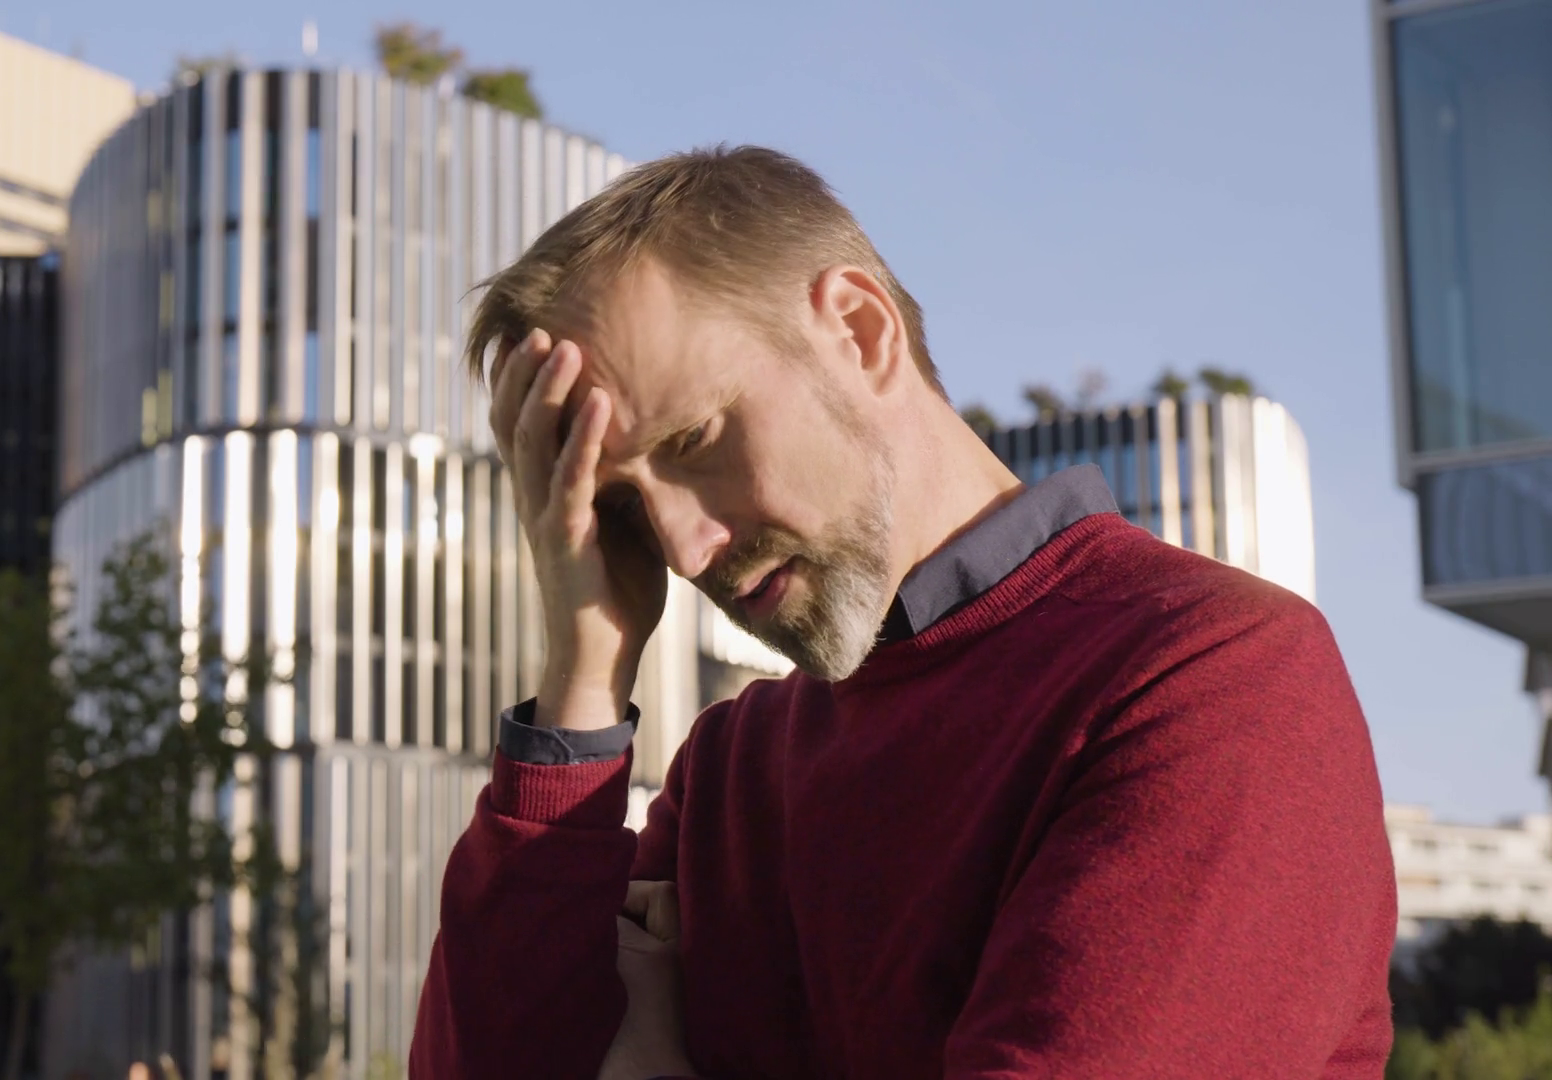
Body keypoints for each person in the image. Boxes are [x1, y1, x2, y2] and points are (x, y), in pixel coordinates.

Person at [409, 145, 1395, 1079]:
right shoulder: (729, 771)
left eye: (695, 439)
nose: (683, 547)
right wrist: (584, 677)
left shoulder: (1213, 677)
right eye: (622, 507)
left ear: (859, 331)